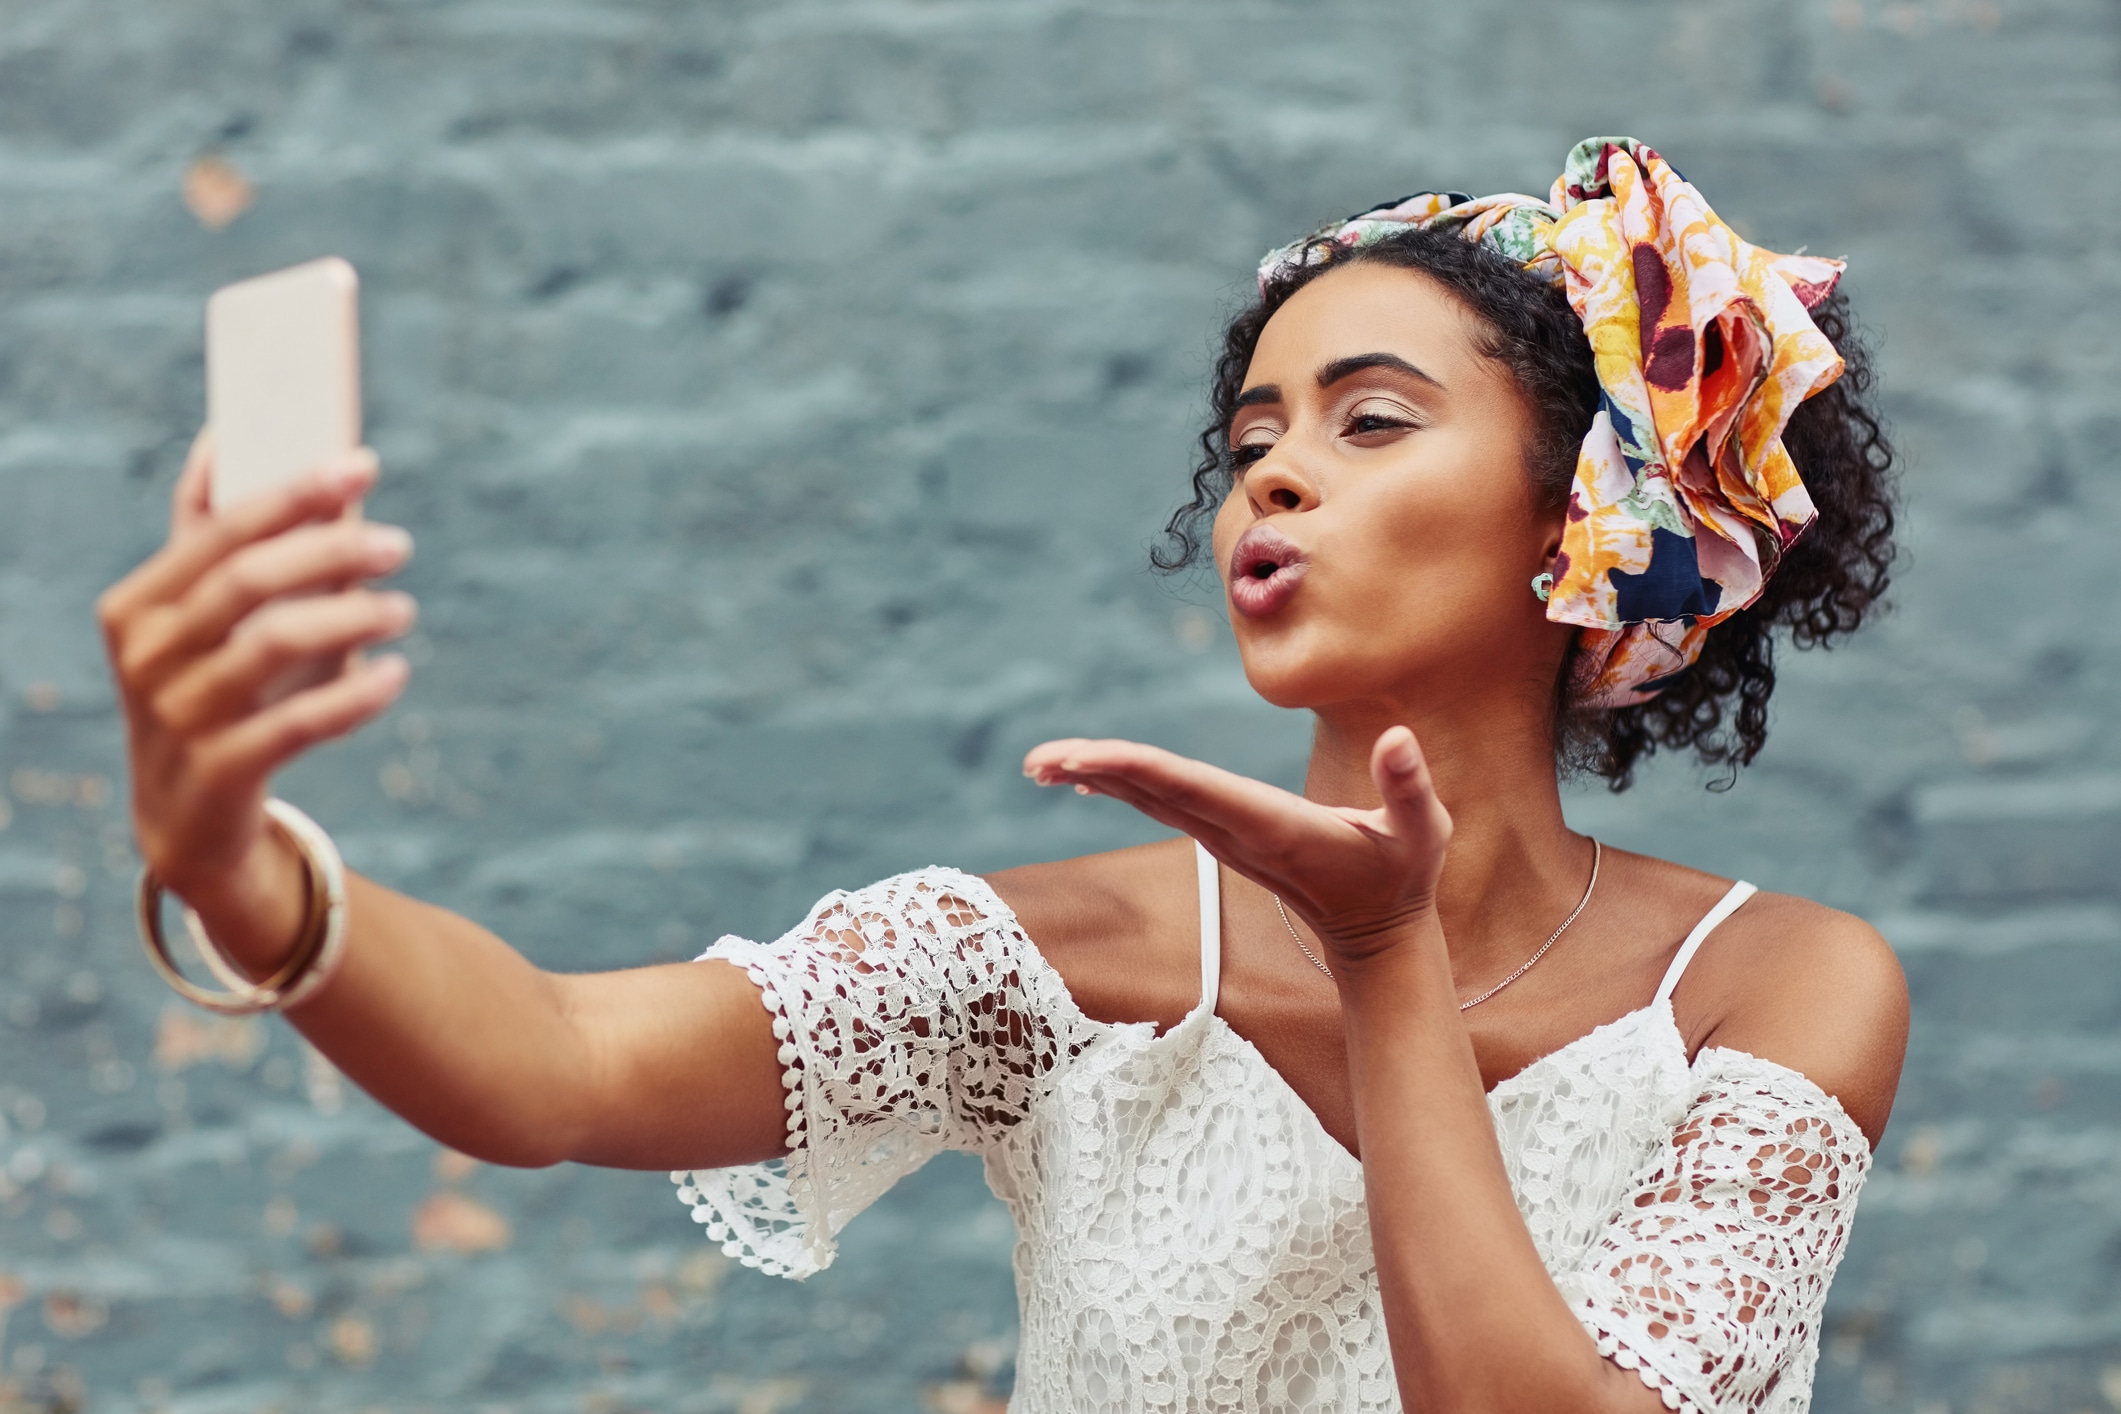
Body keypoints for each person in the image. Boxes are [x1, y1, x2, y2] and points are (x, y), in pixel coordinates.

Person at [99, 138, 1907, 1412]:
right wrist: (243, 869)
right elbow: (555, 1066)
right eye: (1251, 438)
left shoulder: (1772, 989)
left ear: (1590, 517)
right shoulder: (1060, 962)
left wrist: (1382, 956)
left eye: (1369, 420)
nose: (1267, 480)